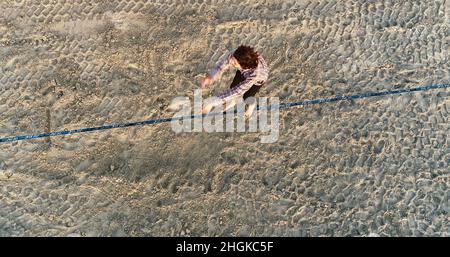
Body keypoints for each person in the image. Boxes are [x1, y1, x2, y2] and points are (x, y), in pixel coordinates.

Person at [201, 45, 269, 118]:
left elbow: (237, 91)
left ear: (244, 66)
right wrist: (211, 76)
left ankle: (251, 106)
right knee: (233, 86)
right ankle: (233, 102)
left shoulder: (255, 75)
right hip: (243, 71)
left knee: (247, 97)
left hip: (258, 80)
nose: (231, 61)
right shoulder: (237, 53)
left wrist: (212, 102)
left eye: (234, 63)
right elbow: (224, 63)